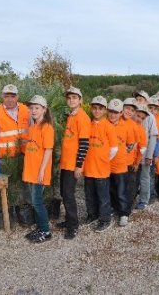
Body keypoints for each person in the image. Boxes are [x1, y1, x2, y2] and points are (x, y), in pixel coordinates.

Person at [0, 84, 31, 224]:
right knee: (5, 187)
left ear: (17, 97)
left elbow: (33, 129)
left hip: (24, 155)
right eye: (7, 96)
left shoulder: (26, 109)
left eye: (13, 96)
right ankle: (5, 216)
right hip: (5, 157)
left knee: (23, 185)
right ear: (2, 97)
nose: (10, 99)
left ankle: (23, 214)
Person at [57, 86, 91, 239]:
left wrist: (79, 165)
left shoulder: (83, 118)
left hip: (73, 165)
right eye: (69, 98)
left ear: (80, 100)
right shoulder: (71, 116)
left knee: (69, 194)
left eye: (74, 98)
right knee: (64, 192)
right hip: (65, 163)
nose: (71, 100)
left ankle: (73, 225)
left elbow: (84, 144)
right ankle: (69, 220)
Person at [23, 95, 54, 243]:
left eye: (37, 108)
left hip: (39, 172)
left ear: (44, 110)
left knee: (37, 202)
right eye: (31, 108)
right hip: (30, 171)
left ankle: (46, 231)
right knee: (34, 201)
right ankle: (40, 227)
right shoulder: (33, 127)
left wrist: (42, 170)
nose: (33, 110)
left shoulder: (47, 127)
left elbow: (48, 150)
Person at [84, 96, 117, 233]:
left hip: (101, 169)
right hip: (88, 168)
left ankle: (105, 220)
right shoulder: (88, 125)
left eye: (100, 108)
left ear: (105, 110)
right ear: (92, 109)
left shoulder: (108, 126)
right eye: (95, 108)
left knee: (103, 197)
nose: (97, 111)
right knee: (89, 195)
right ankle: (92, 215)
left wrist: (104, 159)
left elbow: (114, 148)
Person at [107, 99, 134, 226]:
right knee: (110, 189)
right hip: (106, 165)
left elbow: (131, 144)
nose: (113, 115)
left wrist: (122, 153)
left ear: (121, 113)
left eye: (116, 112)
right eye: (111, 111)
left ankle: (124, 213)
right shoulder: (104, 124)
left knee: (122, 191)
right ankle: (113, 208)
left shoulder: (126, 126)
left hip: (120, 164)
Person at [136, 104, 158, 210]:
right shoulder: (132, 114)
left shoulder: (151, 117)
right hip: (132, 155)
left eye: (142, 99)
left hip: (145, 153)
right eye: (138, 99)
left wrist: (149, 156)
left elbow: (153, 137)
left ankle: (144, 200)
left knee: (145, 177)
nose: (140, 101)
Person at [122, 98, 142, 216]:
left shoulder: (135, 126)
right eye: (127, 108)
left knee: (129, 187)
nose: (129, 111)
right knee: (116, 188)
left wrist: (137, 162)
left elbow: (136, 146)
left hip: (128, 162)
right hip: (113, 163)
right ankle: (117, 207)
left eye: (132, 110)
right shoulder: (114, 120)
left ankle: (126, 212)